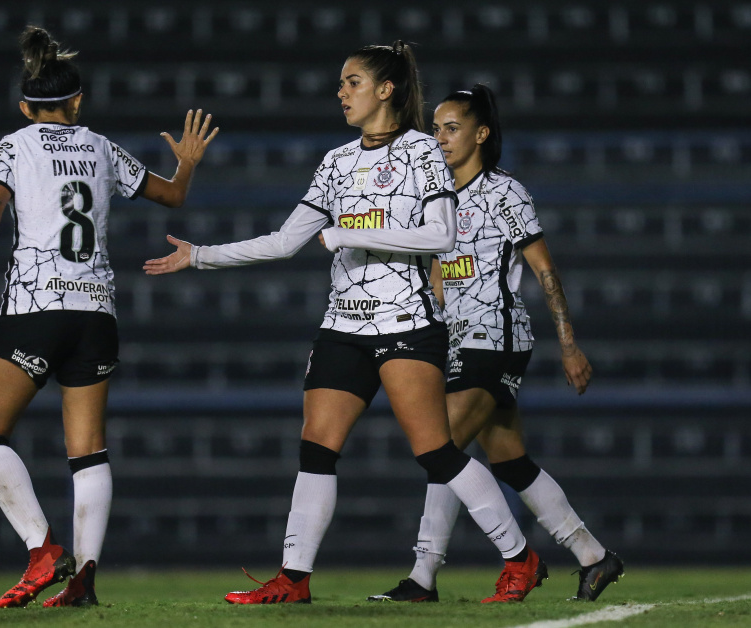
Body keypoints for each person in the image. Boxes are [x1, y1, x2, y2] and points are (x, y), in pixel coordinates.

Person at [144, 42, 545, 605]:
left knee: (435, 452)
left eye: (352, 82)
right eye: (341, 83)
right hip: (344, 324)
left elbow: (441, 237)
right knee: (316, 445)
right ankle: (294, 578)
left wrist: (352, 233)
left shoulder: (423, 153)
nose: (341, 92)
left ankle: (520, 559)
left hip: (406, 319)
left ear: (386, 90)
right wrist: (201, 255)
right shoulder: (336, 161)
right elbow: (286, 241)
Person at [0, 25, 218, 608]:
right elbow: (172, 197)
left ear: (24, 106)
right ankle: (85, 580)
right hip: (96, 315)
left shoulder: (14, 145)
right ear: (78, 101)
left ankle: (43, 550)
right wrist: (185, 164)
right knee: (87, 450)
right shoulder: (102, 147)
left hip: (37, 308)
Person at [368, 84, 624, 604]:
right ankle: (595, 557)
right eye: (435, 127)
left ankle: (427, 576)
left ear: (481, 134)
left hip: (496, 337)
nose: (439, 137)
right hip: (457, 342)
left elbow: (544, 270)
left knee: (441, 448)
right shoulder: (435, 196)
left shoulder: (504, 193)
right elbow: (438, 276)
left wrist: (569, 346)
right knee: (509, 461)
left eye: (451, 127)